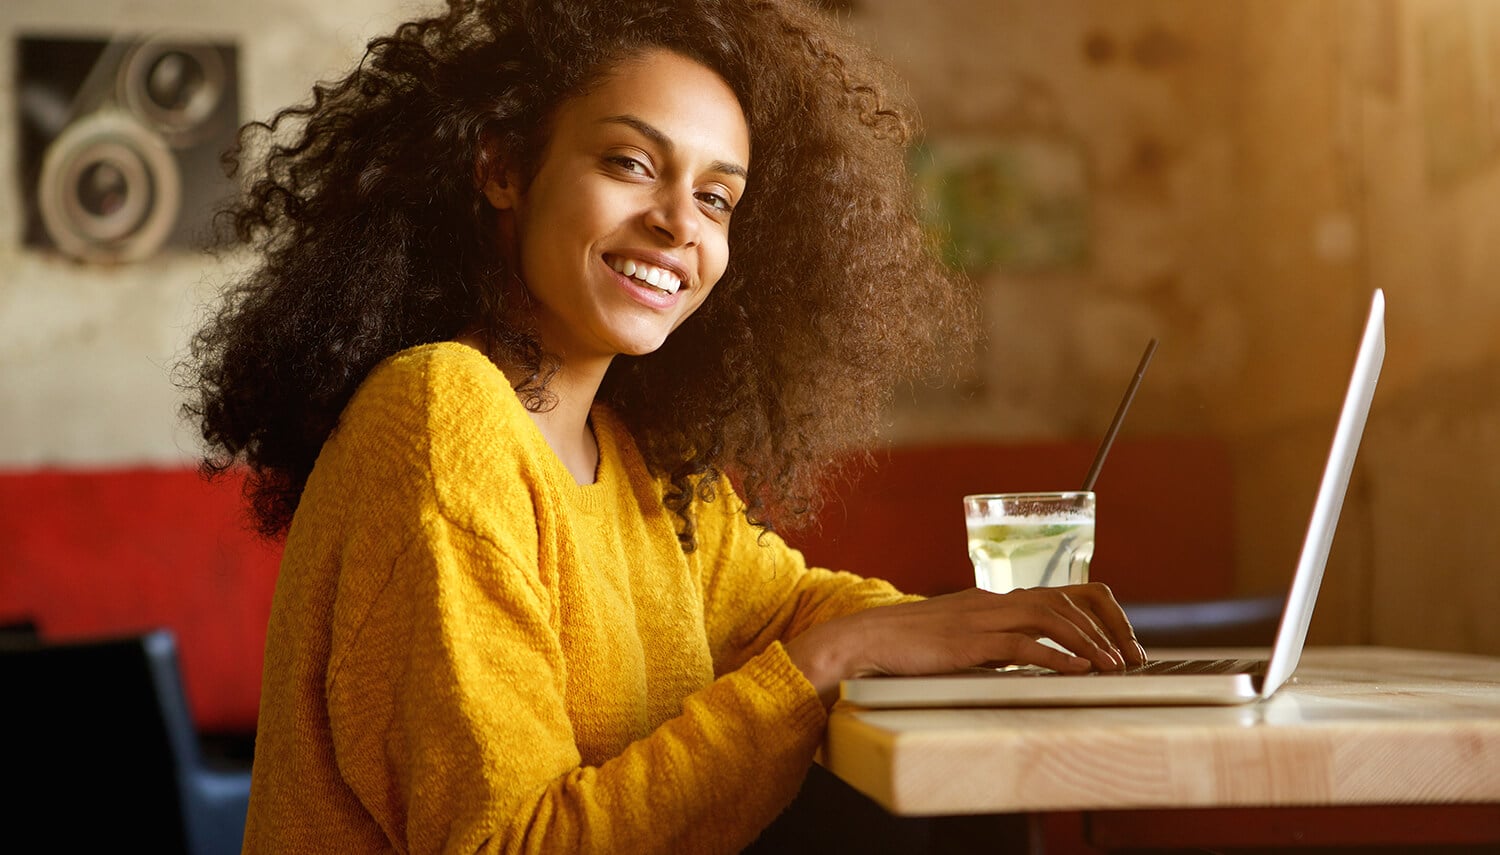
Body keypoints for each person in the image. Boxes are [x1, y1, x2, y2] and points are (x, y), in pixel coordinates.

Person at [183, 0, 1146, 851]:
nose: (680, 224)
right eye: (632, 163)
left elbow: (790, 606)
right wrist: (833, 660)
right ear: (502, 168)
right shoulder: (442, 414)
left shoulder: (637, 461)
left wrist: (958, 624)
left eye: (717, 198)